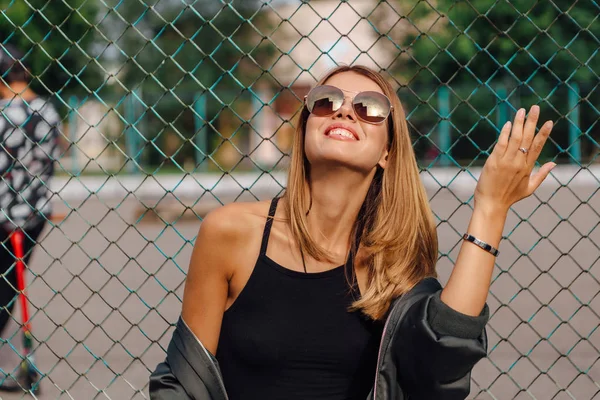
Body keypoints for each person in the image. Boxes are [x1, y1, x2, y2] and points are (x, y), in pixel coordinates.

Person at [149, 65, 555, 399]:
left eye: (370, 108)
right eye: (326, 101)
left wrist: (490, 209)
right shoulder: (229, 232)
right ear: (305, 127)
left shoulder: (396, 261)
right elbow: (184, 382)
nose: (344, 112)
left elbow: (443, 360)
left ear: (387, 152)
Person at [0, 43, 60, 393]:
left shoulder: (3, 112)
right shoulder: (48, 111)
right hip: (34, 214)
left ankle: (10, 362)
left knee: (4, 287)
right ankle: (15, 360)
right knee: (10, 285)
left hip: (3, 213)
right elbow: (49, 158)